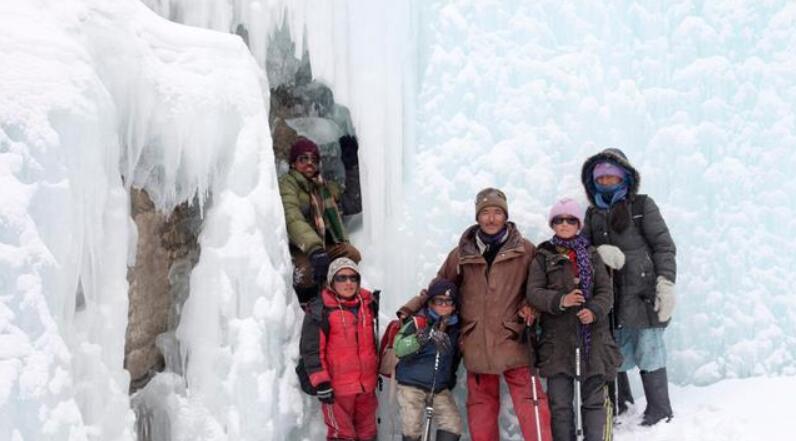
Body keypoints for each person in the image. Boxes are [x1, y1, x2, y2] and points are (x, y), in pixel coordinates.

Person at [398, 188, 552, 441]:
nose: (491, 218)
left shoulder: (525, 250)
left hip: (513, 337)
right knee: (481, 406)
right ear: (478, 217)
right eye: (486, 213)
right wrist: (411, 308)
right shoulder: (462, 253)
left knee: (531, 401)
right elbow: (440, 287)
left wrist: (531, 305)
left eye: (497, 212)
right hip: (476, 339)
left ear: (505, 216)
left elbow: (538, 286)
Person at [580, 148, 677, 426]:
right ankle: (621, 404)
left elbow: (663, 246)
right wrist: (598, 251)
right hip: (611, 293)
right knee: (613, 350)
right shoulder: (593, 213)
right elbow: (582, 247)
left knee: (650, 347)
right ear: (593, 182)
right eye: (602, 178)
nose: (607, 182)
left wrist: (666, 282)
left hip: (643, 290)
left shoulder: (642, 206)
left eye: (612, 177)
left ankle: (659, 410)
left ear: (625, 177)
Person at [526, 198, 622, 441]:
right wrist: (561, 300)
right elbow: (534, 292)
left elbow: (606, 292)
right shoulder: (543, 255)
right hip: (557, 343)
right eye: (559, 220)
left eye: (570, 220)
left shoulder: (591, 255)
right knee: (560, 405)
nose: (565, 224)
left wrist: (594, 311)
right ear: (553, 224)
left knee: (594, 403)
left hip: (593, 342)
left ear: (578, 224)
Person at [299, 257, 378, 441]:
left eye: (353, 277)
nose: (348, 282)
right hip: (337, 390)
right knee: (342, 435)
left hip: (366, 386)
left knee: (368, 433)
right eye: (341, 278)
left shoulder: (367, 304)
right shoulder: (321, 309)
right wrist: (321, 382)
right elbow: (311, 349)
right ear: (331, 281)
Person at [279, 137, 361, 306]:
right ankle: (305, 306)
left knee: (351, 254)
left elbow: (353, 203)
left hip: (323, 247)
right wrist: (314, 249)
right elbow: (292, 217)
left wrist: (351, 165)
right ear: (293, 163)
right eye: (303, 159)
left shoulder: (324, 187)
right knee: (305, 273)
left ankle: (336, 298)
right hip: (300, 248)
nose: (309, 163)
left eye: (313, 159)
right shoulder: (288, 184)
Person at [393, 278, 463, 441]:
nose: (444, 306)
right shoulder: (418, 322)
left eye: (448, 301)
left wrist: (449, 378)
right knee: (412, 426)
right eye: (439, 301)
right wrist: (421, 338)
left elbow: (453, 357)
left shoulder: (455, 328)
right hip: (411, 384)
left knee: (452, 423)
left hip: (438, 387)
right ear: (430, 303)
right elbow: (399, 348)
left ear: (454, 305)